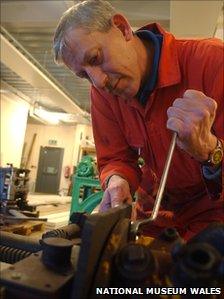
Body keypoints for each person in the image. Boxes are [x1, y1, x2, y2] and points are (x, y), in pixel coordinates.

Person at [53, 0, 223, 240]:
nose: (98, 81)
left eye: (95, 58)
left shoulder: (214, 62)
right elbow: (116, 157)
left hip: (214, 213)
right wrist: (117, 180)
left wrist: (210, 151)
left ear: (122, 28)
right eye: (84, 75)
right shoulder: (102, 92)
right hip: (155, 212)